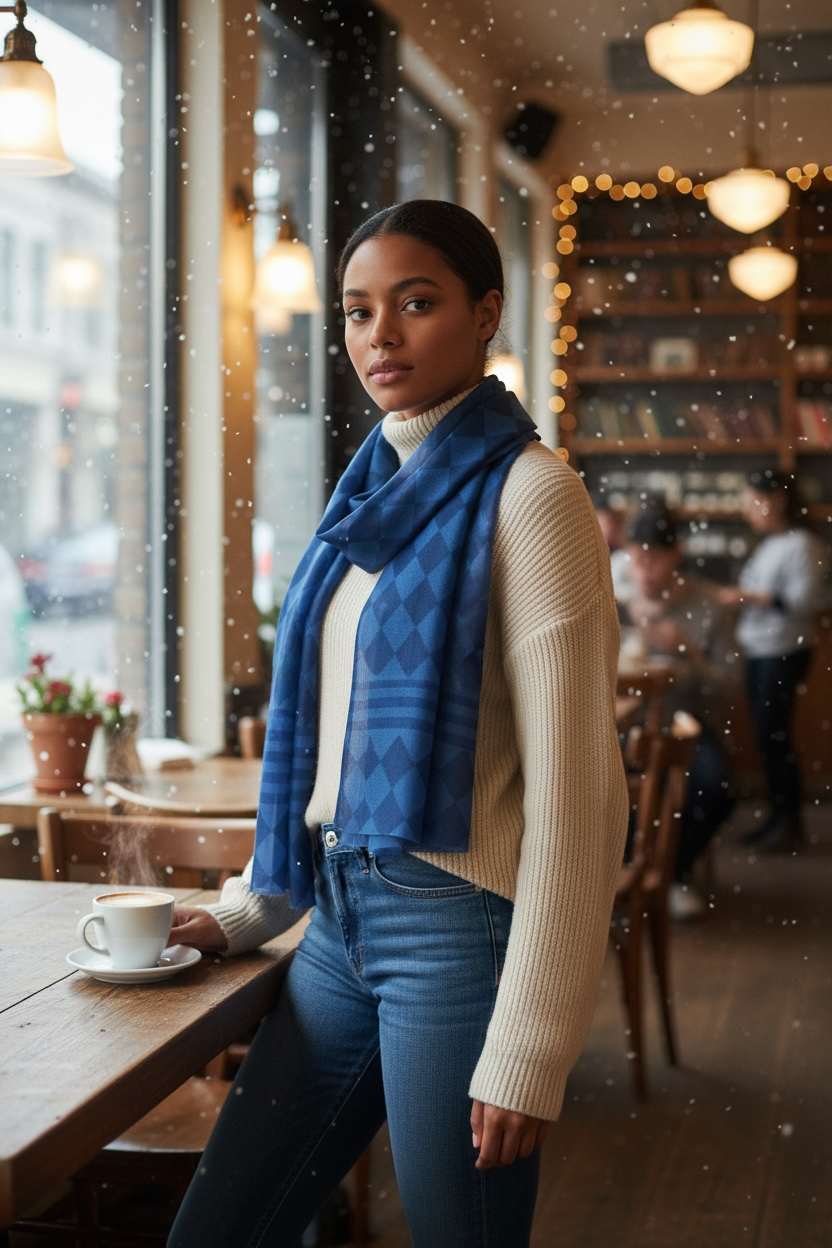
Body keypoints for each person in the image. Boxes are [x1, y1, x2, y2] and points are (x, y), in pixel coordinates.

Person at [168, 199, 628, 1248]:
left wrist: (532, 1045)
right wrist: (249, 907)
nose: (380, 335)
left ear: (484, 313)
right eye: (357, 310)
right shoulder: (364, 494)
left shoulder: (531, 495)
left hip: (455, 930)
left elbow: (579, 800)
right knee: (216, 1230)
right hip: (334, 921)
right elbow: (323, 742)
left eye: (415, 304)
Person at [619, 502, 739, 919]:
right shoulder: (612, 600)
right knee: (594, 781)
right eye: (637, 560)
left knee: (716, 789)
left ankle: (673, 872)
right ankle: (623, 874)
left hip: (687, 723)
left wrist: (686, 647)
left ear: (676, 555)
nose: (645, 573)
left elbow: (730, 684)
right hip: (620, 723)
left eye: (654, 560)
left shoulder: (707, 604)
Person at [716, 470, 828, 852]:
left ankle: (788, 823)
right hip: (763, 649)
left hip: (783, 650)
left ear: (777, 499)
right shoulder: (770, 544)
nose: (749, 512)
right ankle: (779, 820)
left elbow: (806, 601)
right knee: (769, 739)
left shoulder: (803, 544)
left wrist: (749, 598)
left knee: (774, 738)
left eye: (753, 503)